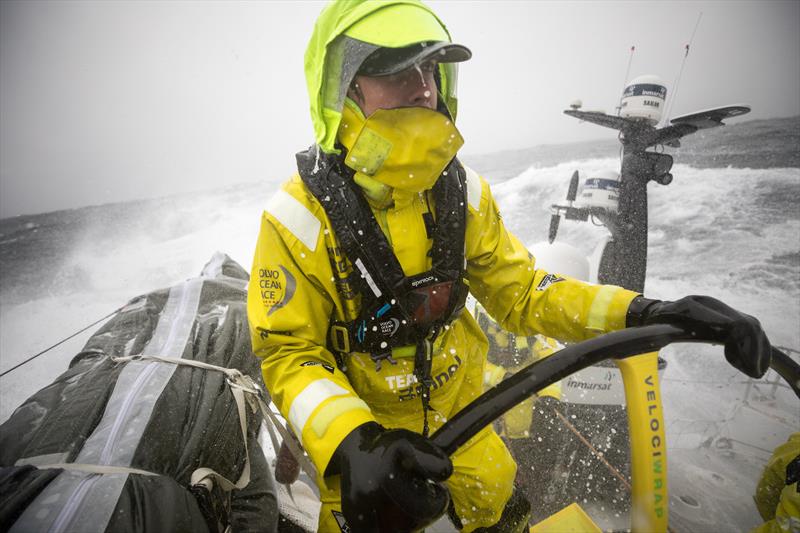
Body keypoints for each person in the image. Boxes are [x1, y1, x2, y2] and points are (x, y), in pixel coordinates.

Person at [247, 1, 772, 531]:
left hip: (466, 425)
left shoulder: (464, 193)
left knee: (501, 496)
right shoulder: (296, 219)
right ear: (344, 89)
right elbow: (289, 353)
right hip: (368, 455)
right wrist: (354, 443)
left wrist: (645, 311)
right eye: (398, 71)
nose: (424, 87)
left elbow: (523, 292)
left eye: (430, 69)